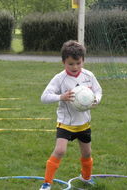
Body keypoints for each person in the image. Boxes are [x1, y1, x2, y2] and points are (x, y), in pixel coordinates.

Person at [39, 40, 102, 190]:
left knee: (87, 153)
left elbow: (98, 91)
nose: (75, 67)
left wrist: (96, 100)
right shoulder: (59, 78)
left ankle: (85, 177)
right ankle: (47, 183)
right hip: (65, 123)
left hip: (84, 123)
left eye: (78, 63)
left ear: (83, 61)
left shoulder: (89, 75)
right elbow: (44, 97)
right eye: (71, 64)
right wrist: (61, 97)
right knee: (60, 150)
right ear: (63, 62)